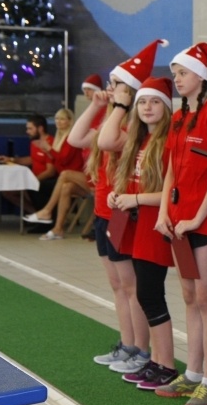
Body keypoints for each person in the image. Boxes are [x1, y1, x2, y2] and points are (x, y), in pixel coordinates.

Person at [68, 39, 166, 370]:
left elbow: (108, 141)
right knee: (118, 286)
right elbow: (76, 138)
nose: (110, 90)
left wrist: (120, 106)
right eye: (111, 84)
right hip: (102, 212)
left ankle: (140, 349)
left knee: (131, 286)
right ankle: (127, 344)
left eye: (116, 85)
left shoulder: (130, 129)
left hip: (122, 215)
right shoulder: (111, 119)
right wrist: (97, 106)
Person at [154, 42, 207, 405]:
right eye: (175, 74)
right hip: (177, 220)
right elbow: (171, 168)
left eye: (183, 73)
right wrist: (163, 212)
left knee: (205, 297)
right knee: (188, 296)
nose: (177, 79)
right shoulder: (178, 117)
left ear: (200, 76)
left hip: (203, 221)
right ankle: (193, 372)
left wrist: (198, 218)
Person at [98, 76, 176, 388]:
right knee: (145, 293)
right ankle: (156, 360)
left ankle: (165, 364)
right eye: (142, 101)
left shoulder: (169, 143)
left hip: (155, 225)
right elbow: (131, 181)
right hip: (134, 224)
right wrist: (118, 196)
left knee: (151, 294)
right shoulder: (138, 141)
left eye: (155, 101)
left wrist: (137, 199)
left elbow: (172, 193)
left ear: (166, 107)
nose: (147, 107)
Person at [23, 107, 88, 240]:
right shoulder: (59, 139)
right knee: (66, 187)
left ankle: (47, 211)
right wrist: (48, 152)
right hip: (74, 179)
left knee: (64, 175)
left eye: (62, 119)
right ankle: (58, 228)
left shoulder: (71, 138)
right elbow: (59, 165)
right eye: (57, 119)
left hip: (84, 178)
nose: (58, 121)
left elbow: (64, 161)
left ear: (70, 121)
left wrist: (49, 150)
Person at [4, 114, 57, 219]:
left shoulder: (50, 143)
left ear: (40, 128)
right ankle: (35, 213)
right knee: (7, 191)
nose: (27, 131)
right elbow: (32, 159)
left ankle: (41, 215)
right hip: (33, 178)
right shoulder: (34, 143)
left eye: (30, 128)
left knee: (22, 189)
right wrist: (11, 159)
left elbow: (50, 171)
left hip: (44, 180)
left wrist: (32, 181)